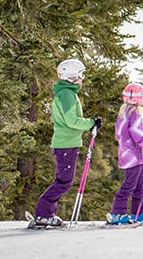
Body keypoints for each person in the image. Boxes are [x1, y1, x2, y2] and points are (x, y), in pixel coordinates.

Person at [31, 58, 102, 227]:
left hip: (67, 143)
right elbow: (72, 121)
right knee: (64, 181)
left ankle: (45, 213)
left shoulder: (67, 93)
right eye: (80, 75)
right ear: (71, 76)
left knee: (64, 180)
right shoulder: (67, 95)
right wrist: (90, 122)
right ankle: (43, 214)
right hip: (65, 144)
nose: (82, 79)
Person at [107, 82, 143, 225]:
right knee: (130, 185)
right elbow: (138, 136)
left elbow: (120, 135)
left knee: (141, 185)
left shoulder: (124, 113)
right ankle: (117, 213)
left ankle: (139, 212)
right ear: (139, 98)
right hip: (133, 157)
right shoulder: (135, 113)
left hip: (133, 156)